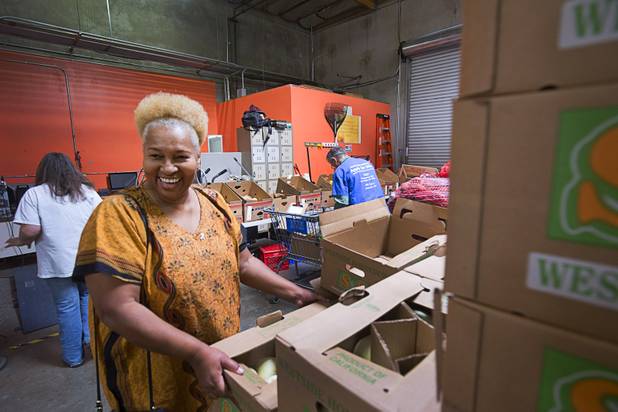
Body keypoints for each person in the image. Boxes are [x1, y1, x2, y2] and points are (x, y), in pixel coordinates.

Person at [73, 92, 317, 411]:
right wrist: (196, 351)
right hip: (158, 378)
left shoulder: (215, 205)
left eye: (180, 156)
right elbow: (117, 308)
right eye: (155, 156)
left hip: (220, 356)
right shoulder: (119, 215)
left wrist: (297, 293)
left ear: (198, 159)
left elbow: (242, 262)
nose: (167, 168)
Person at [5, 152, 102, 367]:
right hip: (88, 260)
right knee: (87, 301)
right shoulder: (88, 192)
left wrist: (21, 240)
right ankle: (92, 346)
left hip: (58, 263)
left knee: (67, 306)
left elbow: (30, 230)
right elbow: (103, 222)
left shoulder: (35, 194)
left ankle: (73, 357)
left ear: (43, 171)